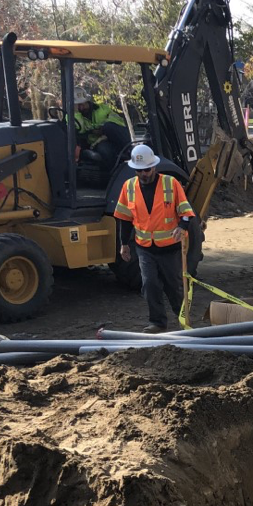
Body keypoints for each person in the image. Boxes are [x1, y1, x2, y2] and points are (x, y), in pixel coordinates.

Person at [114, 145, 196, 333]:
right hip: (144, 248)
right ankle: (158, 322)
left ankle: (184, 319)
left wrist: (182, 226)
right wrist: (124, 244)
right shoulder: (128, 187)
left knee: (174, 286)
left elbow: (185, 212)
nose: (144, 174)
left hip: (169, 248)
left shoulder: (171, 183)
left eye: (147, 169)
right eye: (140, 170)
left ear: (154, 167)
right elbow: (124, 219)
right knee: (149, 284)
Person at [74, 88, 131, 173]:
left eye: (82, 104)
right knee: (105, 150)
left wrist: (102, 129)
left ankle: (132, 151)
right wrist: (77, 113)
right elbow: (80, 130)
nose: (81, 108)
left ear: (87, 101)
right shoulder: (73, 117)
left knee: (108, 127)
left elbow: (119, 122)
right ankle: (113, 175)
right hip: (96, 144)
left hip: (113, 138)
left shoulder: (102, 109)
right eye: (78, 106)